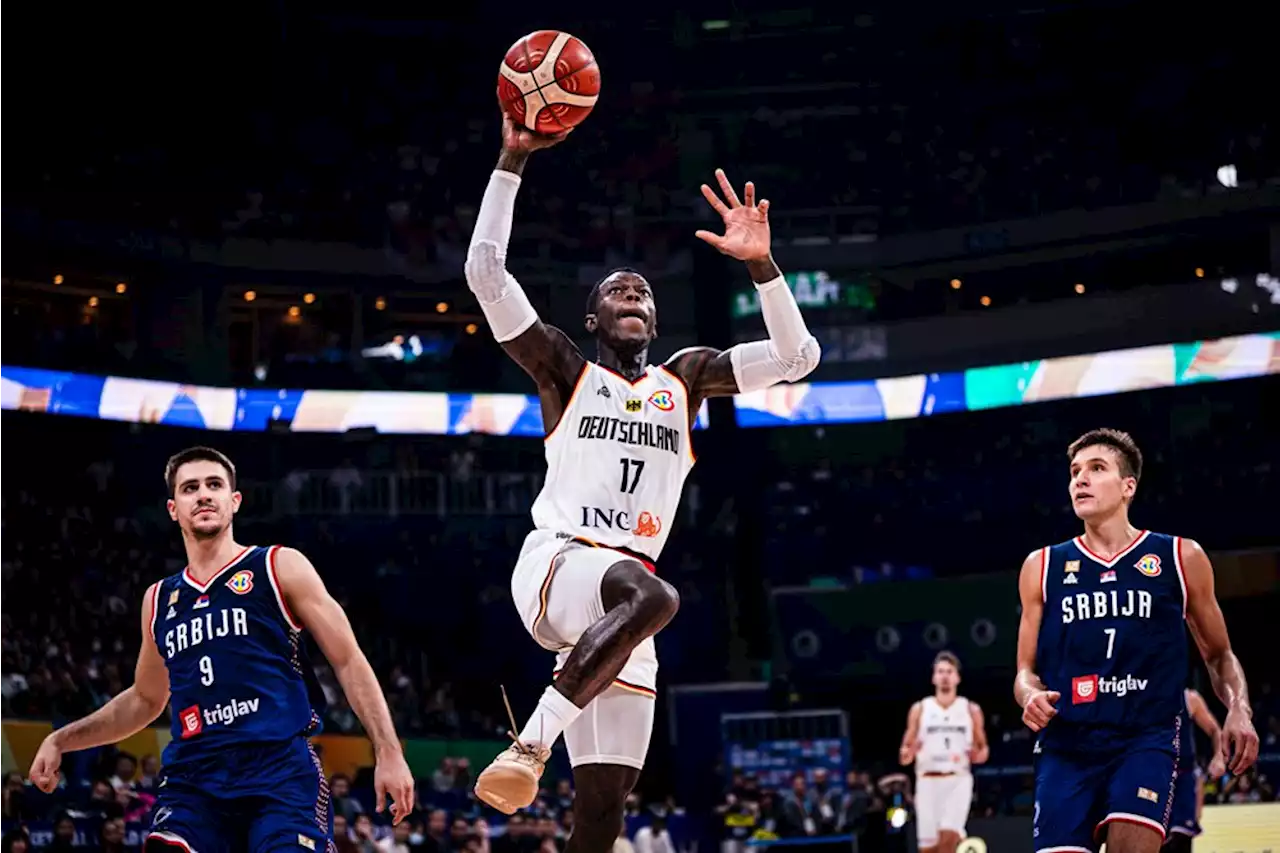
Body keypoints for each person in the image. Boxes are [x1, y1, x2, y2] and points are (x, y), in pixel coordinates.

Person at [463, 114, 820, 842]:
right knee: (654, 591)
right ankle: (529, 743)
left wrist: (763, 266)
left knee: (603, 806)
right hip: (560, 564)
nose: (633, 295)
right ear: (594, 317)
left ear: (654, 320)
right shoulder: (567, 368)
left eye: (644, 293)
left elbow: (799, 358)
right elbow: (485, 274)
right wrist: (512, 158)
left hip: (627, 608)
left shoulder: (684, 378)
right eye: (617, 292)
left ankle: (546, 746)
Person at [27, 446, 416, 852]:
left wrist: (388, 750)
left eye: (214, 484)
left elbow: (348, 659)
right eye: (190, 488)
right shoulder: (159, 599)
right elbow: (144, 700)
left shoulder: (279, 566)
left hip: (278, 773)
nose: (203, 494)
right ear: (173, 508)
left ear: (234, 501)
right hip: (194, 780)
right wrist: (61, 739)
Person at [1013, 428, 1258, 853]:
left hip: (1145, 739)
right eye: (1074, 472)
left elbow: (1219, 654)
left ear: (1128, 486)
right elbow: (1024, 671)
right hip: (1066, 746)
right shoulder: (1043, 565)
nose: (1079, 480)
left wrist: (1239, 708)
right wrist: (1029, 695)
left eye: (1096, 468)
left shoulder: (1180, 557)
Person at [899, 652, 988, 853]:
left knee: (948, 841)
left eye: (949, 672)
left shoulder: (970, 709)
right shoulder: (920, 709)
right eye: (940, 672)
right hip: (927, 782)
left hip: (957, 780)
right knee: (929, 849)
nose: (945, 676)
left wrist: (978, 754)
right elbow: (905, 753)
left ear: (957, 677)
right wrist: (908, 752)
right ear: (933, 677)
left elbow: (983, 750)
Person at [1165, 688, 1225, 851]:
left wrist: (1219, 756)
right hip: (1154, 777)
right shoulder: (1140, 695)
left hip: (1184, 777)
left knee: (1181, 839)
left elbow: (1215, 731)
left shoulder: (1189, 698)